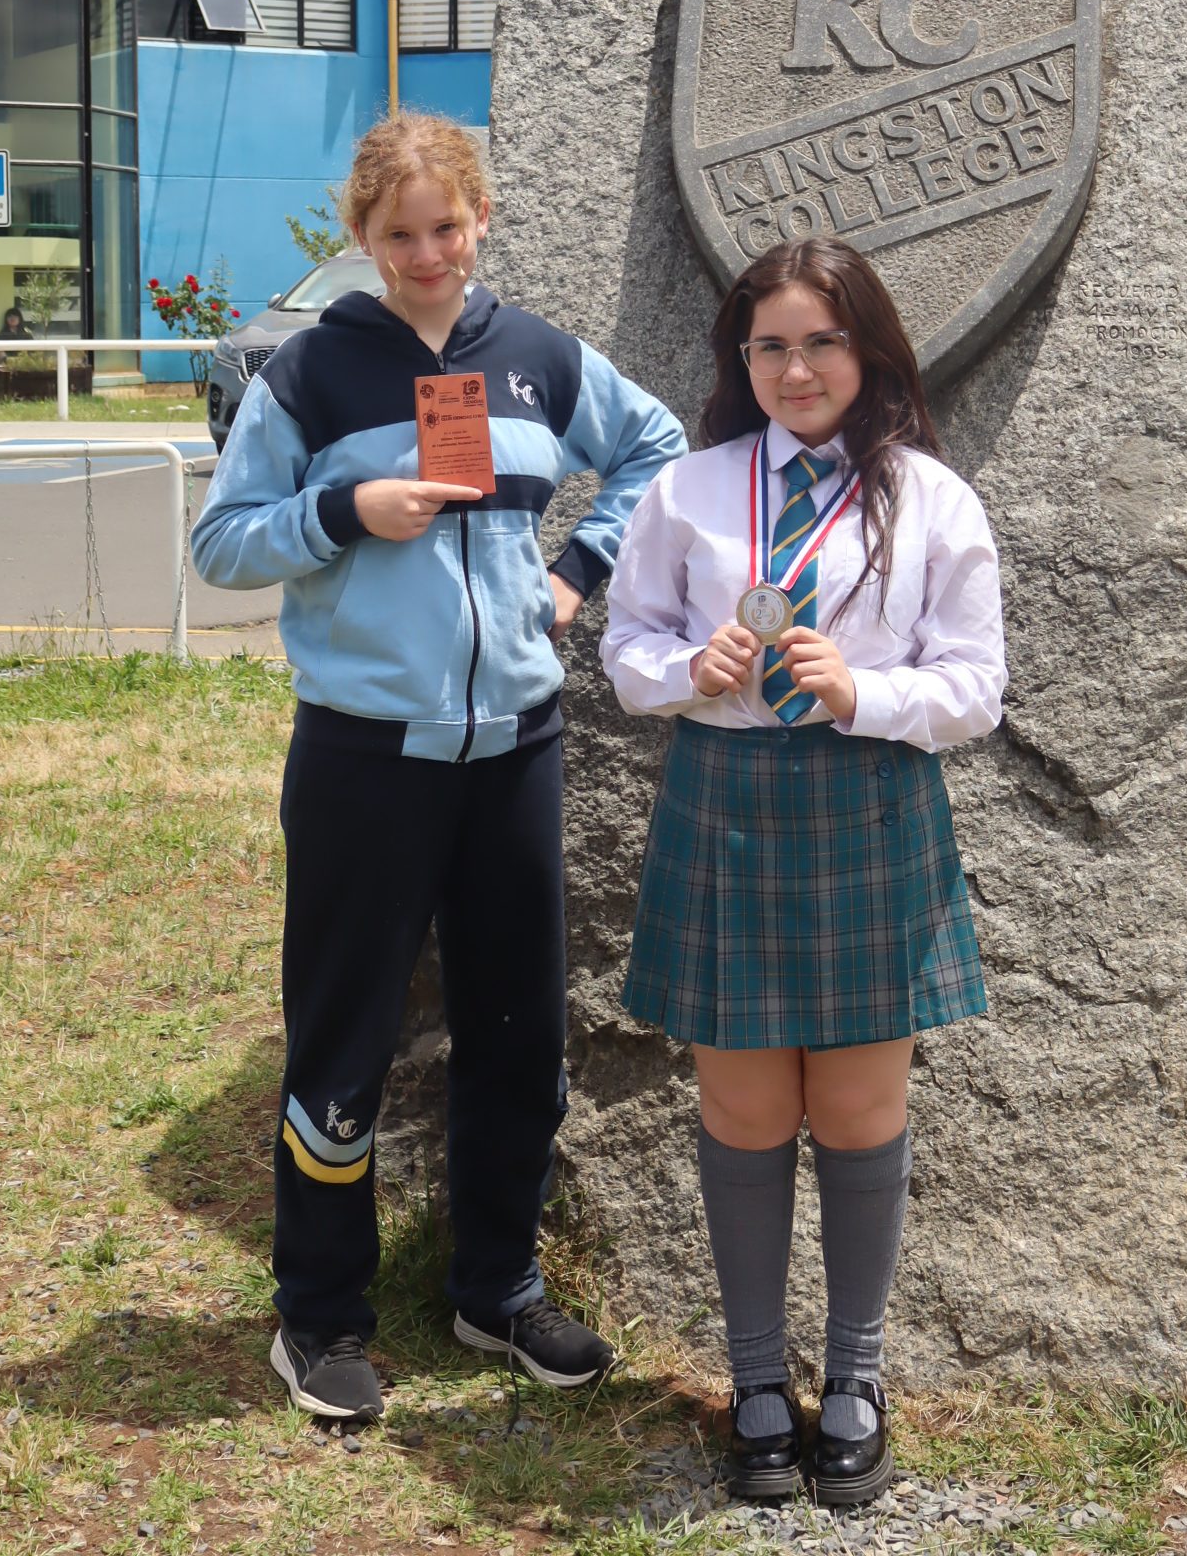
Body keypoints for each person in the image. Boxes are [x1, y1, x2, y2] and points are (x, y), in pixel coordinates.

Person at [191, 113, 685, 1428]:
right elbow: (225, 544)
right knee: (344, 1039)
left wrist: (581, 571)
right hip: (366, 755)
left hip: (516, 748)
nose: (425, 252)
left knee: (520, 1032)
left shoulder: (533, 360)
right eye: (398, 232)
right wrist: (347, 512)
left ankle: (496, 1287)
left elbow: (659, 445)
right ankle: (322, 1316)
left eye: (446, 226)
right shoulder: (312, 373)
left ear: (482, 221)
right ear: (361, 237)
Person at [601, 236, 1005, 1509]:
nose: (795, 367)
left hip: (871, 805)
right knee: (743, 1114)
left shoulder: (931, 498)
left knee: (859, 1114)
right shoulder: (692, 490)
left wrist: (864, 690)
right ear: (741, 360)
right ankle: (758, 1380)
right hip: (723, 803)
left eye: (821, 341)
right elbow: (625, 648)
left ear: (869, 350)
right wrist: (687, 674)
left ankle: (859, 1378)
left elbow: (976, 688)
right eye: (768, 344)